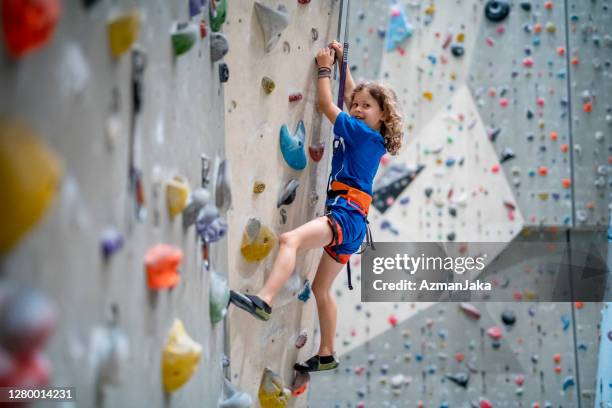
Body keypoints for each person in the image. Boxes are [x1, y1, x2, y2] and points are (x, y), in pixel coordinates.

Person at [229, 40, 403, 372]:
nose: (357, 109)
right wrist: (344, 65)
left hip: (345, 213)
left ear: (382, 116)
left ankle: (264, 300)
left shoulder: (360, 133)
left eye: (367, 107)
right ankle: (326, 353)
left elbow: (326, 102)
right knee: (322, 289)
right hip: (354, 223)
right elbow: (352, 97)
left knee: (289, 241)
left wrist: (325, 67)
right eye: (357, 106)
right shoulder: (369, 134)